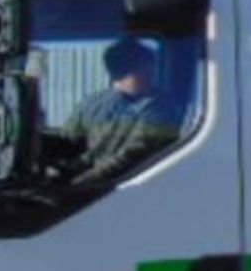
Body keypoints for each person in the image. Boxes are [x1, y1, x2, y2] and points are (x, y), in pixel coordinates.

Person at [62, 38, 182, 186]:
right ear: (120, 72)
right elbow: (69, 143)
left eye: (151, 69)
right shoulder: (90, 104)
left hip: (135, 186)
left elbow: (135, 155)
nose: (150, 75)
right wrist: (61, 171)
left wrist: (82, 182)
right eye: (143, 70)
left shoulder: (161, 106)